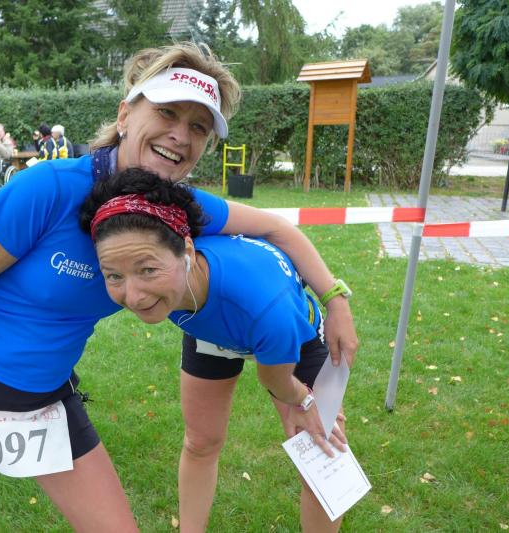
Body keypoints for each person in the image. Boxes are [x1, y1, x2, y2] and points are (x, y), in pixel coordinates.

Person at [0, 42, 357, 532]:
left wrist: (335, 301)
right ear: (124, 114)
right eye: (166, 112)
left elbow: (275, 228)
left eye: (198, 127)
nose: (180, 135)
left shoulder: (177, 207)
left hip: (44, 399)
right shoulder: (50, 186)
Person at [80, 168, 351, 532]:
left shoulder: (270, 311)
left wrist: (303, 399)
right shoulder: (158, 246)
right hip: (210, 324)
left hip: (287, 331)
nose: (134, 296)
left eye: (147, 270)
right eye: (114, 276)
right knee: (200, 442)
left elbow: (275, 379)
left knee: (322, 452)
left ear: (187, 251)